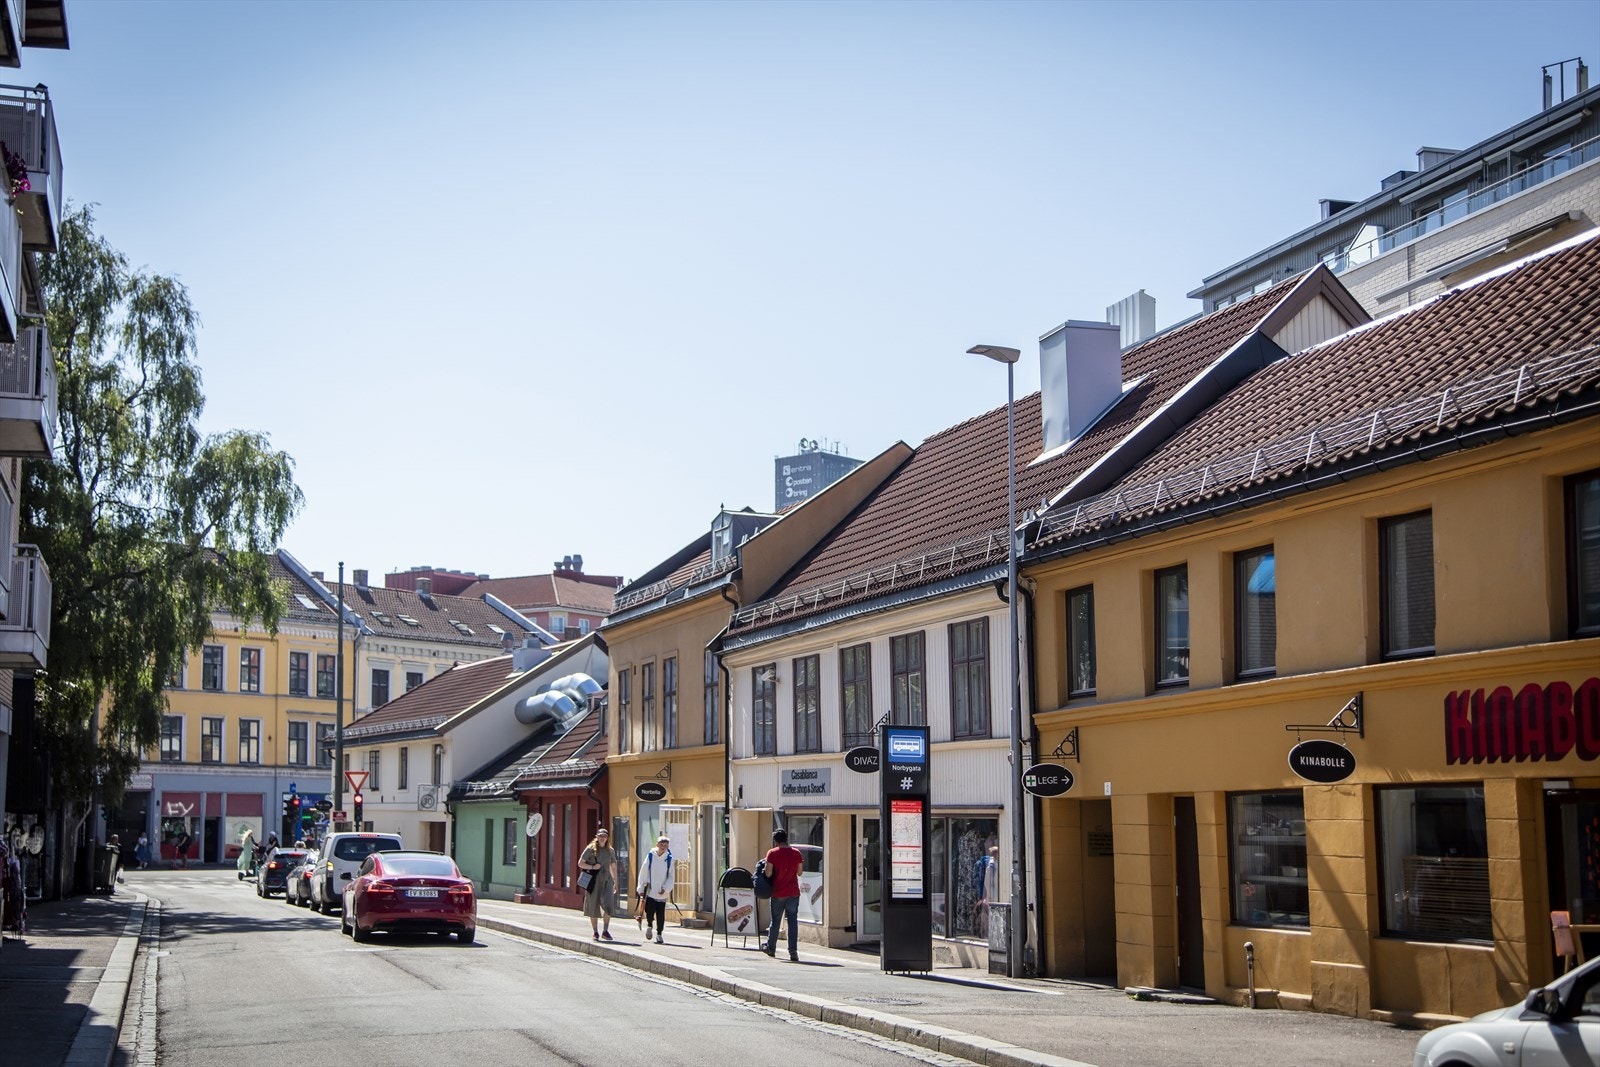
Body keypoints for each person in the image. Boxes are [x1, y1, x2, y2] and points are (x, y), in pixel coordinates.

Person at [762, 828, 804, 962]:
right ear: (786, 839)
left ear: (776, 841)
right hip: (793, 892)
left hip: (778, 892)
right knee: (792, 922)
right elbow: (800, 873)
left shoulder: (772, 853)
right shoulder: (796, 853)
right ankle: (793, 952)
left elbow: (768, 873)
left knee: (775, 921)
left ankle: (771, 948)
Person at [578, 827, 618, 941]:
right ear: (597, 837)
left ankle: (605, 931)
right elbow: (580, 863)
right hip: (594, 881)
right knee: (593, 906)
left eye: (604, 836)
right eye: (600, 836)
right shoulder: (590, 849)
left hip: (607, 880)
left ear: (607, 838)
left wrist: (615, 881)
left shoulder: (610, 850)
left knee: (609, 906)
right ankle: (595, 932)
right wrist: (592, 867)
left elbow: (613, 866)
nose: (602, 838)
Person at [636, 834, 673, 945]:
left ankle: (659, 934)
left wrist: (666, 888)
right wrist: (640, 888)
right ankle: (649, 925)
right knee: (649, 910)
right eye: (661, 844)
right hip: (651, 890)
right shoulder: (651, 856)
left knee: (661, 914)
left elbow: (671, 876)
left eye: (665, 845)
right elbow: (643, 872)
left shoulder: (669, 859)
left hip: (662, 892)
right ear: (657, 844)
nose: (663, 847)